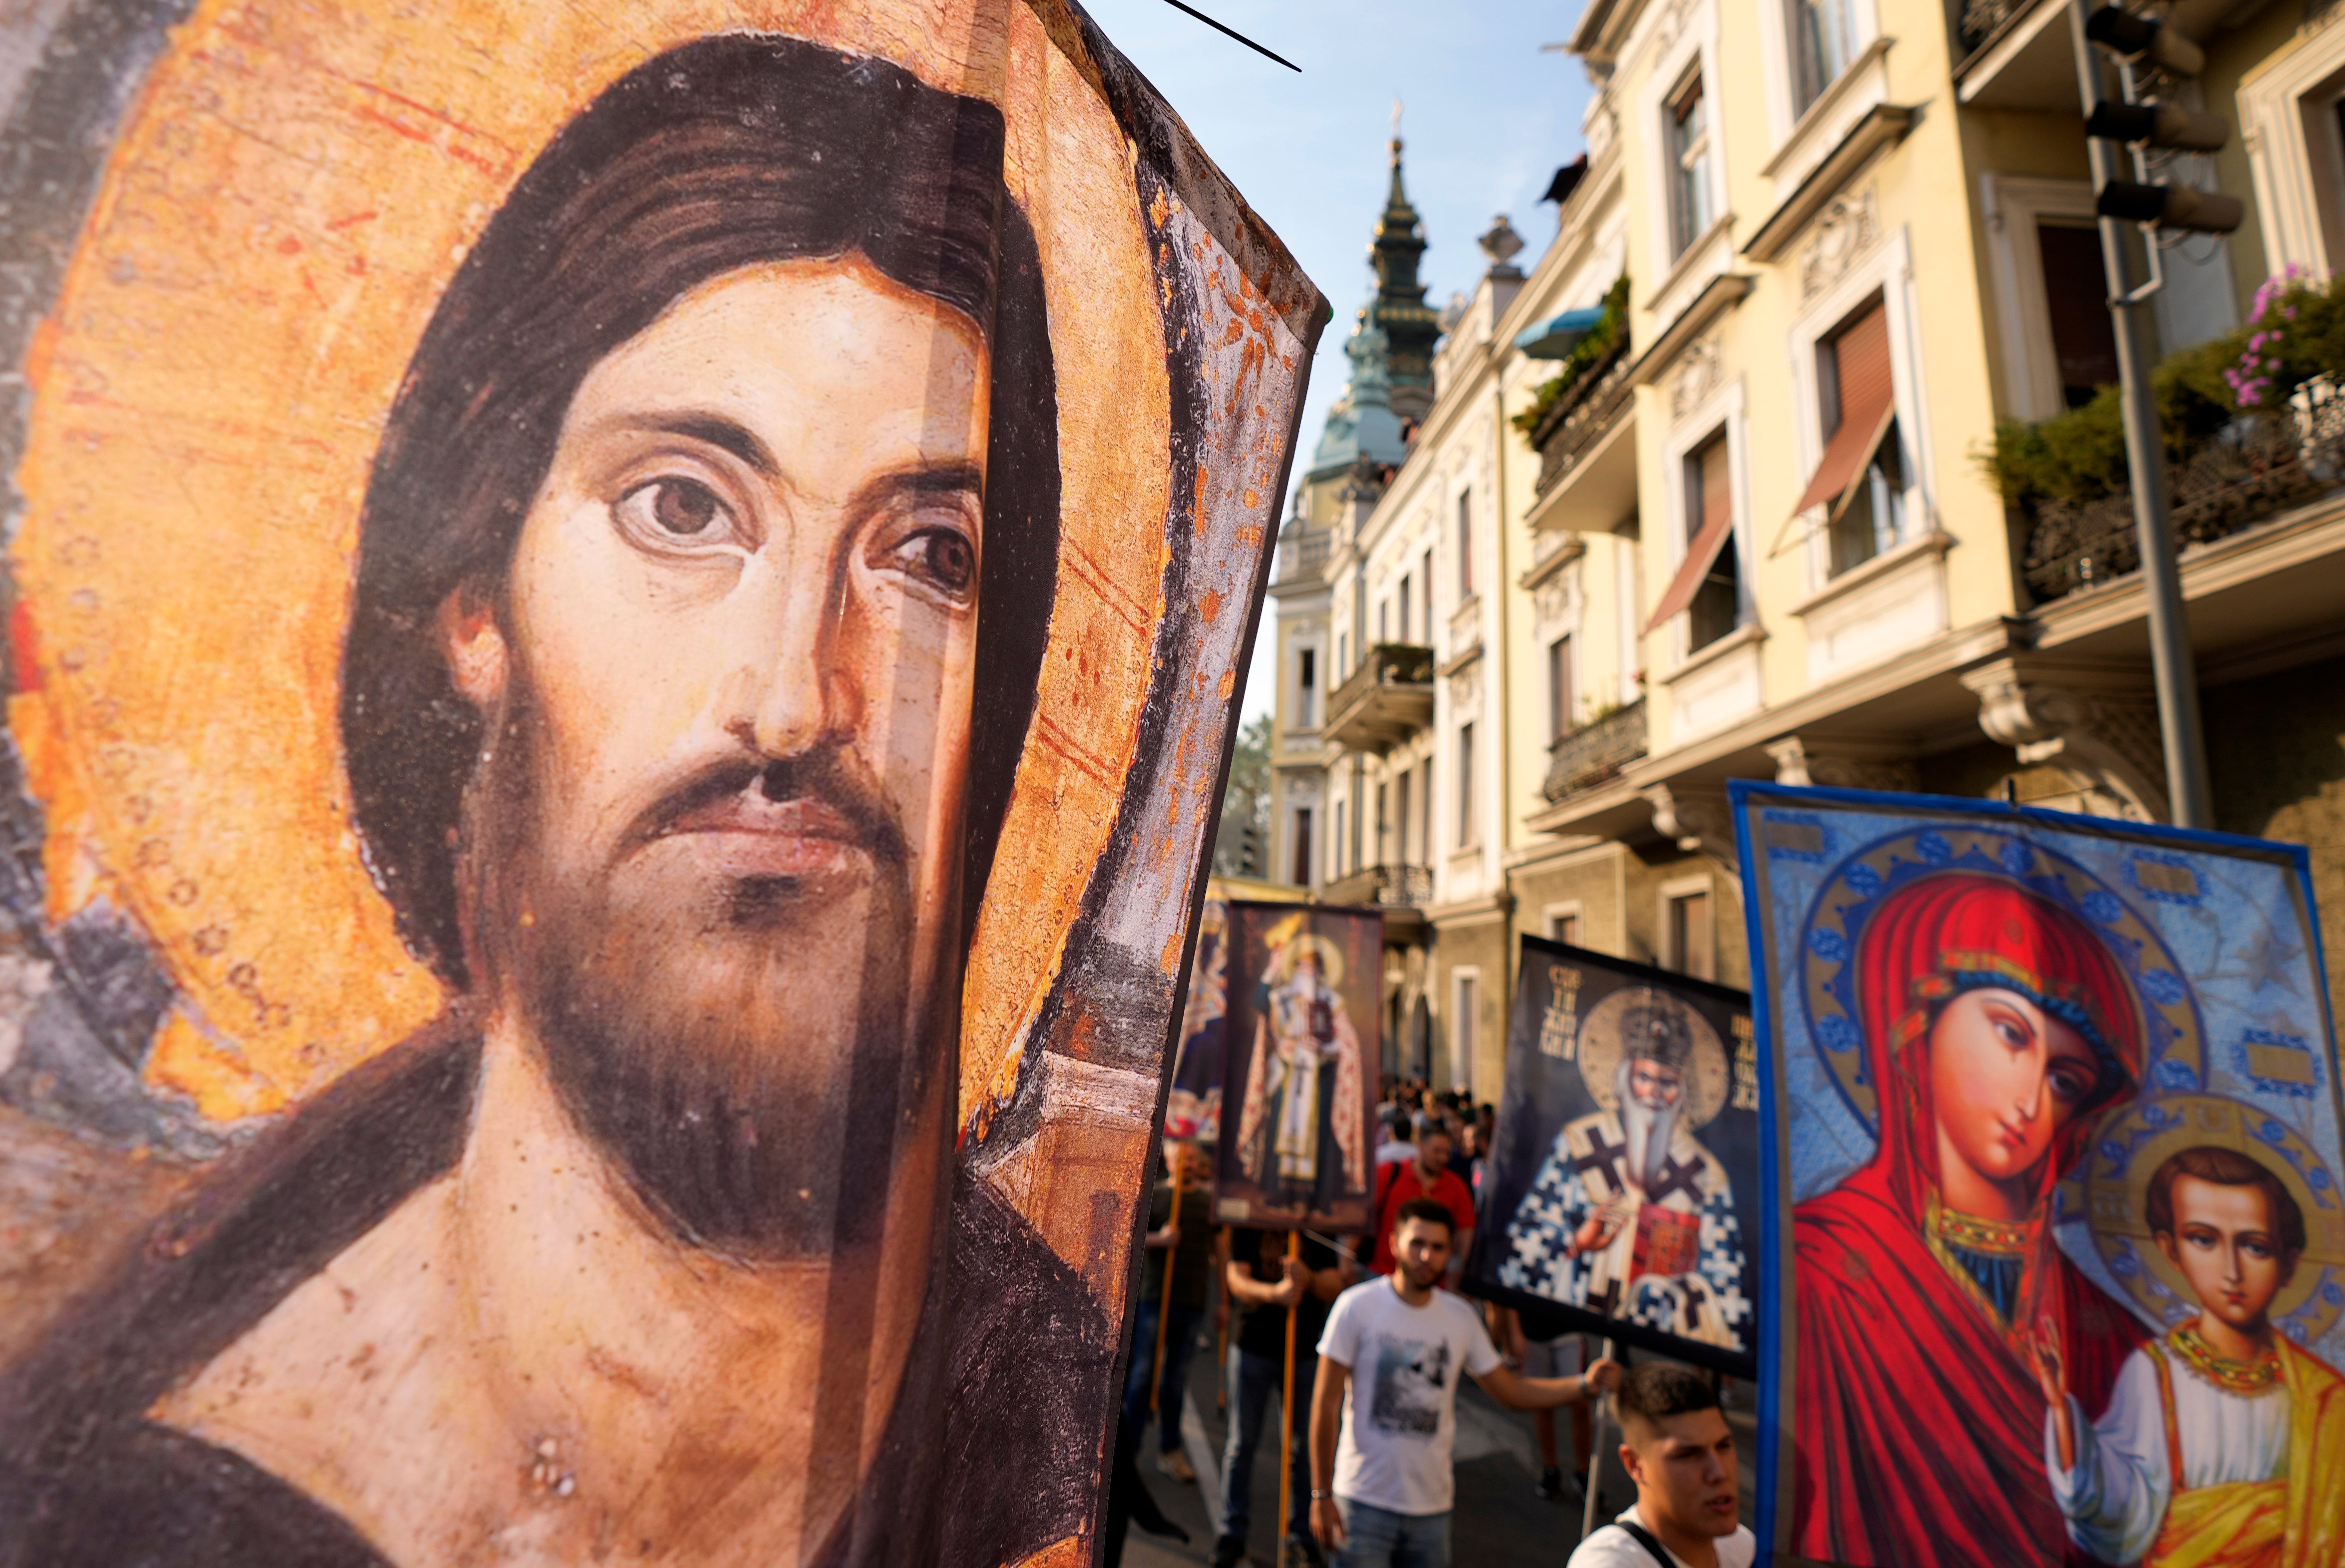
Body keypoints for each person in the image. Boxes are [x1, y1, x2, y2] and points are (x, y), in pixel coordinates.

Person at [0, 37, 1103, 1568]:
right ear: (475, 605)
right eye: (680, 508)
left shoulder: (1034, 1394)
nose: (793, 698)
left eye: (926, 555)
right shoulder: (160, 1509)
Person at [1790, 874, 2148, 1568]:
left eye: (2065, 1079)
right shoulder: (1820, 1266)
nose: (2030, 1094)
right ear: (1918, 1022)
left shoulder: (2105, 1326)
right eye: (2011, 1033)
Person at [2032, 1145, 2345, 1565]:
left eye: (2255, 1246)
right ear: (2171, 1249)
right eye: (2204, 1240)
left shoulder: (2326, 1398)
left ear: (2288, 1263)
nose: (2231, 1271)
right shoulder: (2155, 1373)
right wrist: (2058, 1412)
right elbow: (2120, 1505)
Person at [1309, 1199, 1619, 1567]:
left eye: (1438, 1247)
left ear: (1450, 1253)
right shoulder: (1355, 1306)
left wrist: (1583, 1384)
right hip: (1361, 1502)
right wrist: (1321, 1493)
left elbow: (1512, 1391)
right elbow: (1325, 1406)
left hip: (1432, 1511)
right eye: (1417, 1243)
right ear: (1394, 1243)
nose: (1426, 1256)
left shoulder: (1460, 1318)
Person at [1498, 991, 1746, 1349]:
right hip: (1577, 1327)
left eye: (1668, 1083)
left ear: (1684, 1095)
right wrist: (1576, 1244)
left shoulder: (1707, 1175)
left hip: (1656, 1344)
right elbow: (1524, 1244)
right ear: (1621, 1082)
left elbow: (1727, 1285)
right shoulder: (1579, 1144)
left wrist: (1666, 1292)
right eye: (1644, 1078)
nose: (1654, 1094)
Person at [1214, 1225, 1348, 1568]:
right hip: (1253, 1346)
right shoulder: (1252, 1219)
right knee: (1241, 1445)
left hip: (1304, 1352)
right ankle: (1232, 1532)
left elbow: (1335, 1284)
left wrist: (1310, 1280)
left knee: (1303, 1450)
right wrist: (1277, 1293)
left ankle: (1302, 1536)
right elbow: (1236, 1279)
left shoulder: (1317, 1224)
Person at [1237, 925, 1368, 1215]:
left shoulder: (1332, 1002)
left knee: (1318, 1136)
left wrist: (1328, 1049)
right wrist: (1271, 970)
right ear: (1294, 969)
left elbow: (1347, 1042)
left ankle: (1316, 1199)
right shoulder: (1281, 997)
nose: (1307, 973)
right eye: (1302, 967)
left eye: (1313, 968)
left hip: (1318, 1076)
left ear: (1321, 972)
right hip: (1287, 1073)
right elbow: (1260, 1004)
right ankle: (1278, 1192)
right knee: (1280, 1129)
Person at [1566, 1364, 1753, 1568]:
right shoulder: (1608, 1563)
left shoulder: (1743, 1546)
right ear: (1635, 1464)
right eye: (1688, 1455)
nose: (1719, 1472)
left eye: (1724, 1446)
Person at [1126, 1141, 1217, 1483]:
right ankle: (1130, 1453)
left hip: (1192, 1302)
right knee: (1141, 1378)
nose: (1188, 1163)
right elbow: (1133, 1238)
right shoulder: (1156, 1195)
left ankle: (1170, 1451)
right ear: (1171, 1160)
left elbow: (1220, 1252)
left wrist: (1222, 1302)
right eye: (1182, 1157)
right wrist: (1161, 1239)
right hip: (1154, 1298)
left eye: (1193, 1158)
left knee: (1175, 1382)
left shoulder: (1209, 1203)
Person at [1502, 1304, 1591, 1504]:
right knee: (1542, 1404)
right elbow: (1514, 1284)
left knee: (1580, 1403)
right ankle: (1551, 1470)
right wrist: (1515, 1333)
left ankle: (1584, 1474)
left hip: (1568, 1327)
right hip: (1533, 1330)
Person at [1370, 1116, 1474, 1280]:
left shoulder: (1457, 1187)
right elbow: (1364, 1215)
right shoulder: (1389, 1173)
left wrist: (1455, 1272)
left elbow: (1465, 1233)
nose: (1443, 1158)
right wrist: (1347, 1263)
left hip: (1432, 1283)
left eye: (1447, 1153)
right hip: (1382, 1274)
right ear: (1420, 1147)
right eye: (1437, 1151)